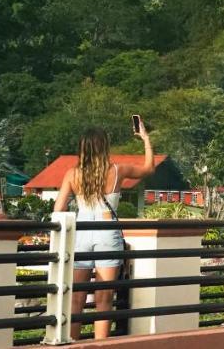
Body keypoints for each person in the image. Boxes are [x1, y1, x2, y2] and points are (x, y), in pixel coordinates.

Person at [53, 122, 154, 339]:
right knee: (104, 298)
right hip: (107, 234)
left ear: (83, 149)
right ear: (104, 147)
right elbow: (148, 168)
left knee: (77, 298)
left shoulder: (73, 174)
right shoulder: (117, 170)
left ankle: (72, 343)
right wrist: (145, 138)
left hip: (80, 235)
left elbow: (58, 209)